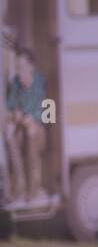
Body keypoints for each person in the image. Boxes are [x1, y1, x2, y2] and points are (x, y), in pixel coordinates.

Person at [4, 47, 49, 205]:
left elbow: (46, 114)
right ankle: (18, 187)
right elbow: (9, 108)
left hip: (39, 132)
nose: (20, 72)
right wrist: (14, 116)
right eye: (18, 68)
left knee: (30, 131)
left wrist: (28, 118)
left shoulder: (39, 81)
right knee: (10, 134)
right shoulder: (16, 82)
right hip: (22, 129)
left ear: (31, 67)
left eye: (22, 67)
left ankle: (33, 188)